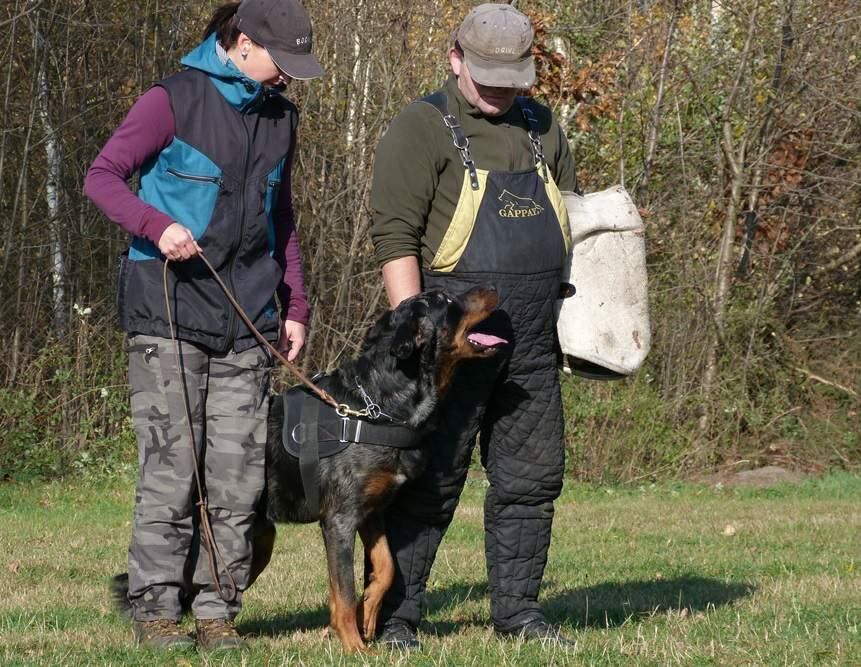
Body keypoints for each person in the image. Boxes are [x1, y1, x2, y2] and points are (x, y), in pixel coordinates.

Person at [83, 0, 323, 651]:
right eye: (283, 62)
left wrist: (294, 305)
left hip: (249, 317)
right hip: (167, 310)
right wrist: (156, 226)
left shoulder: (281, 118)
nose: (290, 78)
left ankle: (218, 611)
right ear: (243, 43)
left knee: (239, 474)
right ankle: (156, 610)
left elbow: (283, 216)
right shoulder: (171, 100)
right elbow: (100, 178)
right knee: (172, 467)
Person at [369, 3, 578, 649]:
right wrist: (415, 334)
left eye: (509, 79)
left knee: (531, 480)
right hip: (449, 345)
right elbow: (395, 238)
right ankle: (397, 618)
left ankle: (518, 614)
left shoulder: (543, 128)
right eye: (484, 75)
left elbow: (571, 221)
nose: (497, 91)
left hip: (534, 346)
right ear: (454, 58)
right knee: (429, 480)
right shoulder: (422, 126)